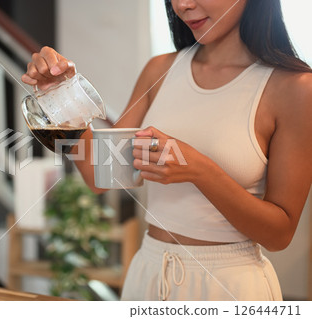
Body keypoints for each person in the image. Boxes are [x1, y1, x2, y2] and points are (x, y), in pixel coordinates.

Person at [21, 0, 312, 301]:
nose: (184, 5)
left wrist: (200, 170)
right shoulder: (160, 69)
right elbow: (100, 176)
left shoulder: (295, 87)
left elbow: (279, 235)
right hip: (148, 273)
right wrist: (62, 96)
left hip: (229, 286)